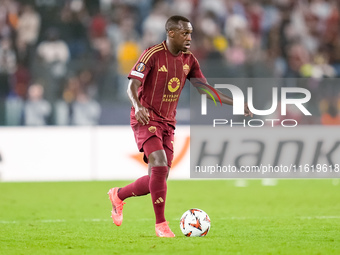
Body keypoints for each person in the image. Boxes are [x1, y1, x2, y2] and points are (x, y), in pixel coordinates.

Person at [108, 15, 252, 238]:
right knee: (159, 162)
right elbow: (132, 85)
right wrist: (137, 106)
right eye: (185, 33)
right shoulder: (153, 54)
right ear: (171, 33)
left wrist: (235, 103)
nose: (189, 38)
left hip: (168, 123)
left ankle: (118, 195)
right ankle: (161, 225)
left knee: (159, 177)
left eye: (191, 33)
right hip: (146, 118)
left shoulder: (189, 60)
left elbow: (204, 89)